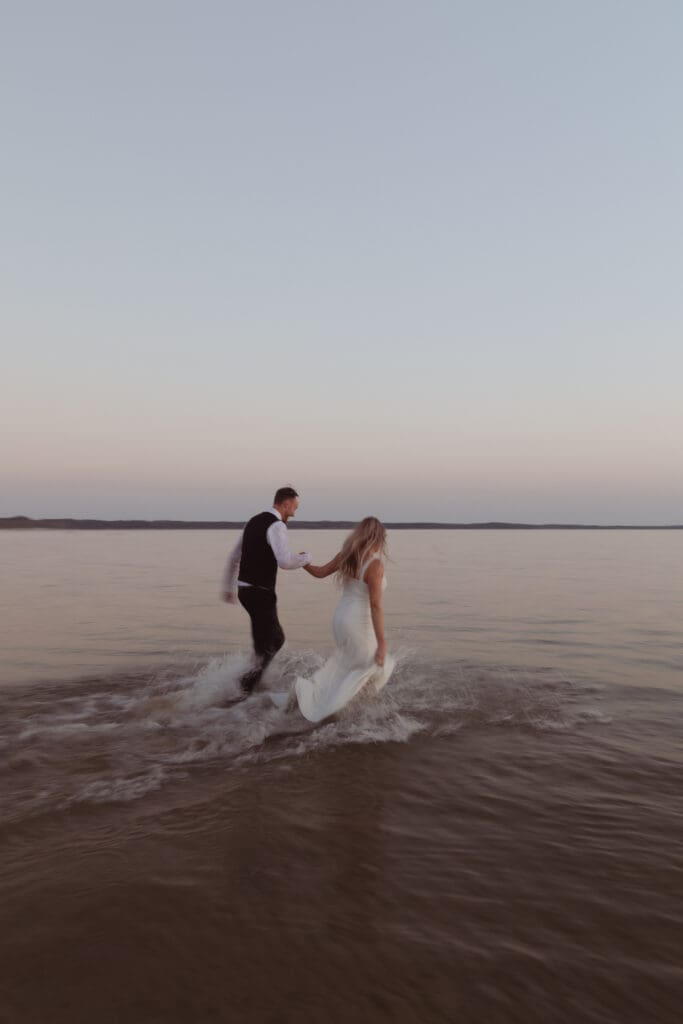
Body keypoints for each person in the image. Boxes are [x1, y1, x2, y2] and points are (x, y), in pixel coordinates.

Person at [274, 516, 394, 722]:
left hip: (341, 619)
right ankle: (325, 708)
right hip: (358, 623)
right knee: (374, 664)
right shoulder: (375, 565)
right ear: (379, 538)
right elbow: (375, 606)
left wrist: (304, 562)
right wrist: (382, 642)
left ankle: (334, 704)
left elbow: (319, 573)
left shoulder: (347, 556)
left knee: (350, 665)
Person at [223, 487, 311, 694]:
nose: (294, 513)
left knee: (263, 644)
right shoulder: (277, 526)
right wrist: (306, 558)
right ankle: (246, 685)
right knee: (276, 639)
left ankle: (248, 682)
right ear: (285, 504)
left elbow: (234, 557)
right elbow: (284, 561)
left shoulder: (252, 522)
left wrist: (228, 587)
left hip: (245, 591)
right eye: (294, 508)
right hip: (261, 593)